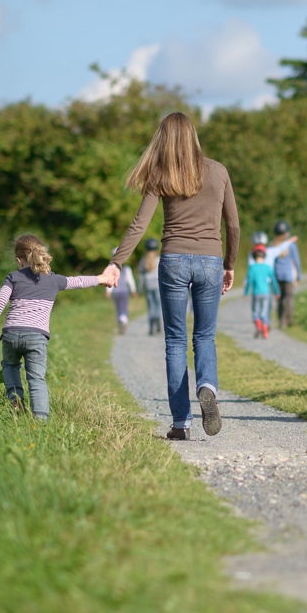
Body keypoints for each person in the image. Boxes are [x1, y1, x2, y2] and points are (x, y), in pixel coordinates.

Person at [101, 112, 239, 441]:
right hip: (210, 260)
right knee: (204, 336)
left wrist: (117, 262)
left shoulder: (161, 173)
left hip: (173, 260)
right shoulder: (218, 170)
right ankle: (207, 386)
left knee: (175, 341)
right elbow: (233, 224)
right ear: (193, 136)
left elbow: (139, 224)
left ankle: (181, 423)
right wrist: (230, 264)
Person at [0, 233, 102, 420]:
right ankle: (41, 420)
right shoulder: (53, 279)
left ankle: (16, 402)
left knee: (10, 366)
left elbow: (0, 299)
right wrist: (101, 278)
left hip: (11, 333)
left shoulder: (13, 277)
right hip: (36, 336)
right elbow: (78, 281)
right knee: (36, 379)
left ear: (18, 260)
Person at [269, 220, 302, 328]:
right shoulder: (291, 245)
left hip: (276, 276)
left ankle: (281, 321)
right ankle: (289, 320)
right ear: (286, 233)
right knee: (289, 298)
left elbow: (270, 262)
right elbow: (296, 261)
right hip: (288, 276)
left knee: (279, 299)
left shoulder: (272, 245)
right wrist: (298, 276)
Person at [244, 245, 281, 338]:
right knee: (264, 312)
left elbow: (249, 281)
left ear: (254, 255)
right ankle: (265, 332)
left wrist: (246, 293)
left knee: (255, 312)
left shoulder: (252, 268)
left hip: (256, 293)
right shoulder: (267, 267)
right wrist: (276, 292)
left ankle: (259, 328)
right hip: (266, 293)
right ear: (264, 255)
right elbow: (273, 280)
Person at [106, 245, 137, 334]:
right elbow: (130, 280)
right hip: (124, 291)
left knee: (118, 308)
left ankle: (120, 320)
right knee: (124, 307)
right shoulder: (127, 268)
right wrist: (133, 290)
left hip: (115, 292)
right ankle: (123, 320)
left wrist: (108, 292)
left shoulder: (111, 269)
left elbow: (109, 281)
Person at [137, 237, 163, 335]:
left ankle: (152, 327)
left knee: (151, 306)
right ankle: (159, 324)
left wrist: (139, 290)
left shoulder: (143, 261)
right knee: (158, 305)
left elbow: (141, 277)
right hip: (157, 285)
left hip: (148, 286)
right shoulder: (159, 259)